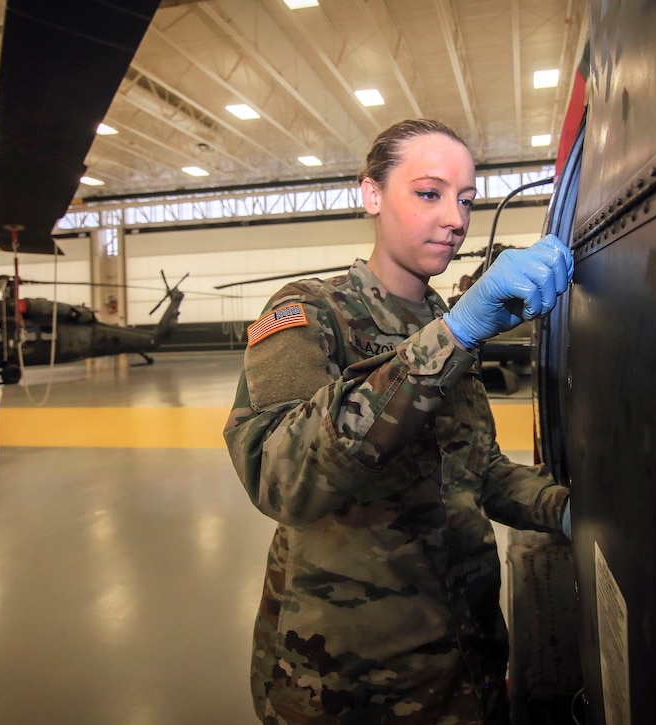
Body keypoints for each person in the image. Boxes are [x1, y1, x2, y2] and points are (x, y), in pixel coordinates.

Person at [224, 118, 574, 724]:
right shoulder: (309, 311)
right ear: (372, 195)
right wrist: (455, 336)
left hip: (466, 662)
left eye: (466, 200)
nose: (456, 218)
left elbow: (475, 470)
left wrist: (562, 508)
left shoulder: (439, 317)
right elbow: (281, 477)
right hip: (348, 684)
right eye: (429, 192)